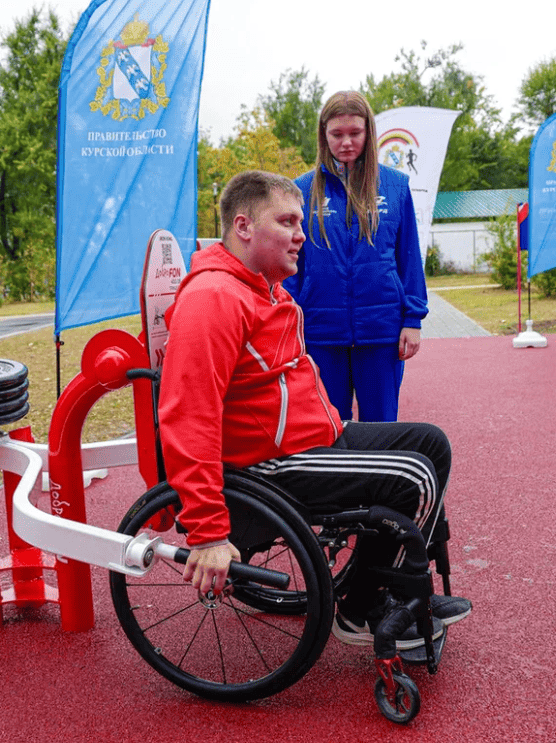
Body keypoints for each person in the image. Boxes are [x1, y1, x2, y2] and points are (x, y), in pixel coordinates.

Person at [157, 170, 470, 650]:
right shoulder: (214, 298)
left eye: (301, 221)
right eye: (287, 222)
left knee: (431, 443)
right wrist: (207, 532)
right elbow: (187, 416)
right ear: (243, 227)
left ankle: (376, 588)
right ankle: (366, 606)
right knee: (414, 476)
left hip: (308, 440)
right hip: (268, 465)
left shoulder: (259, 287)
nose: (302, 234)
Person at [286, 90, 428, 423]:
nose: (346, 142)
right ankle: (337, 478)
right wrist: (289, 321)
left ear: (369, 132)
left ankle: (380, 478)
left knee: (380, 426)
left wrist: (412, 320)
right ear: (324, 135)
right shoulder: (301, 191)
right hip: (320, 332)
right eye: (336, 134)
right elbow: (291, 263)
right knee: (327, 424)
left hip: (382, 332)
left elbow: (409, 257)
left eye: (355, 133)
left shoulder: (394, 186)